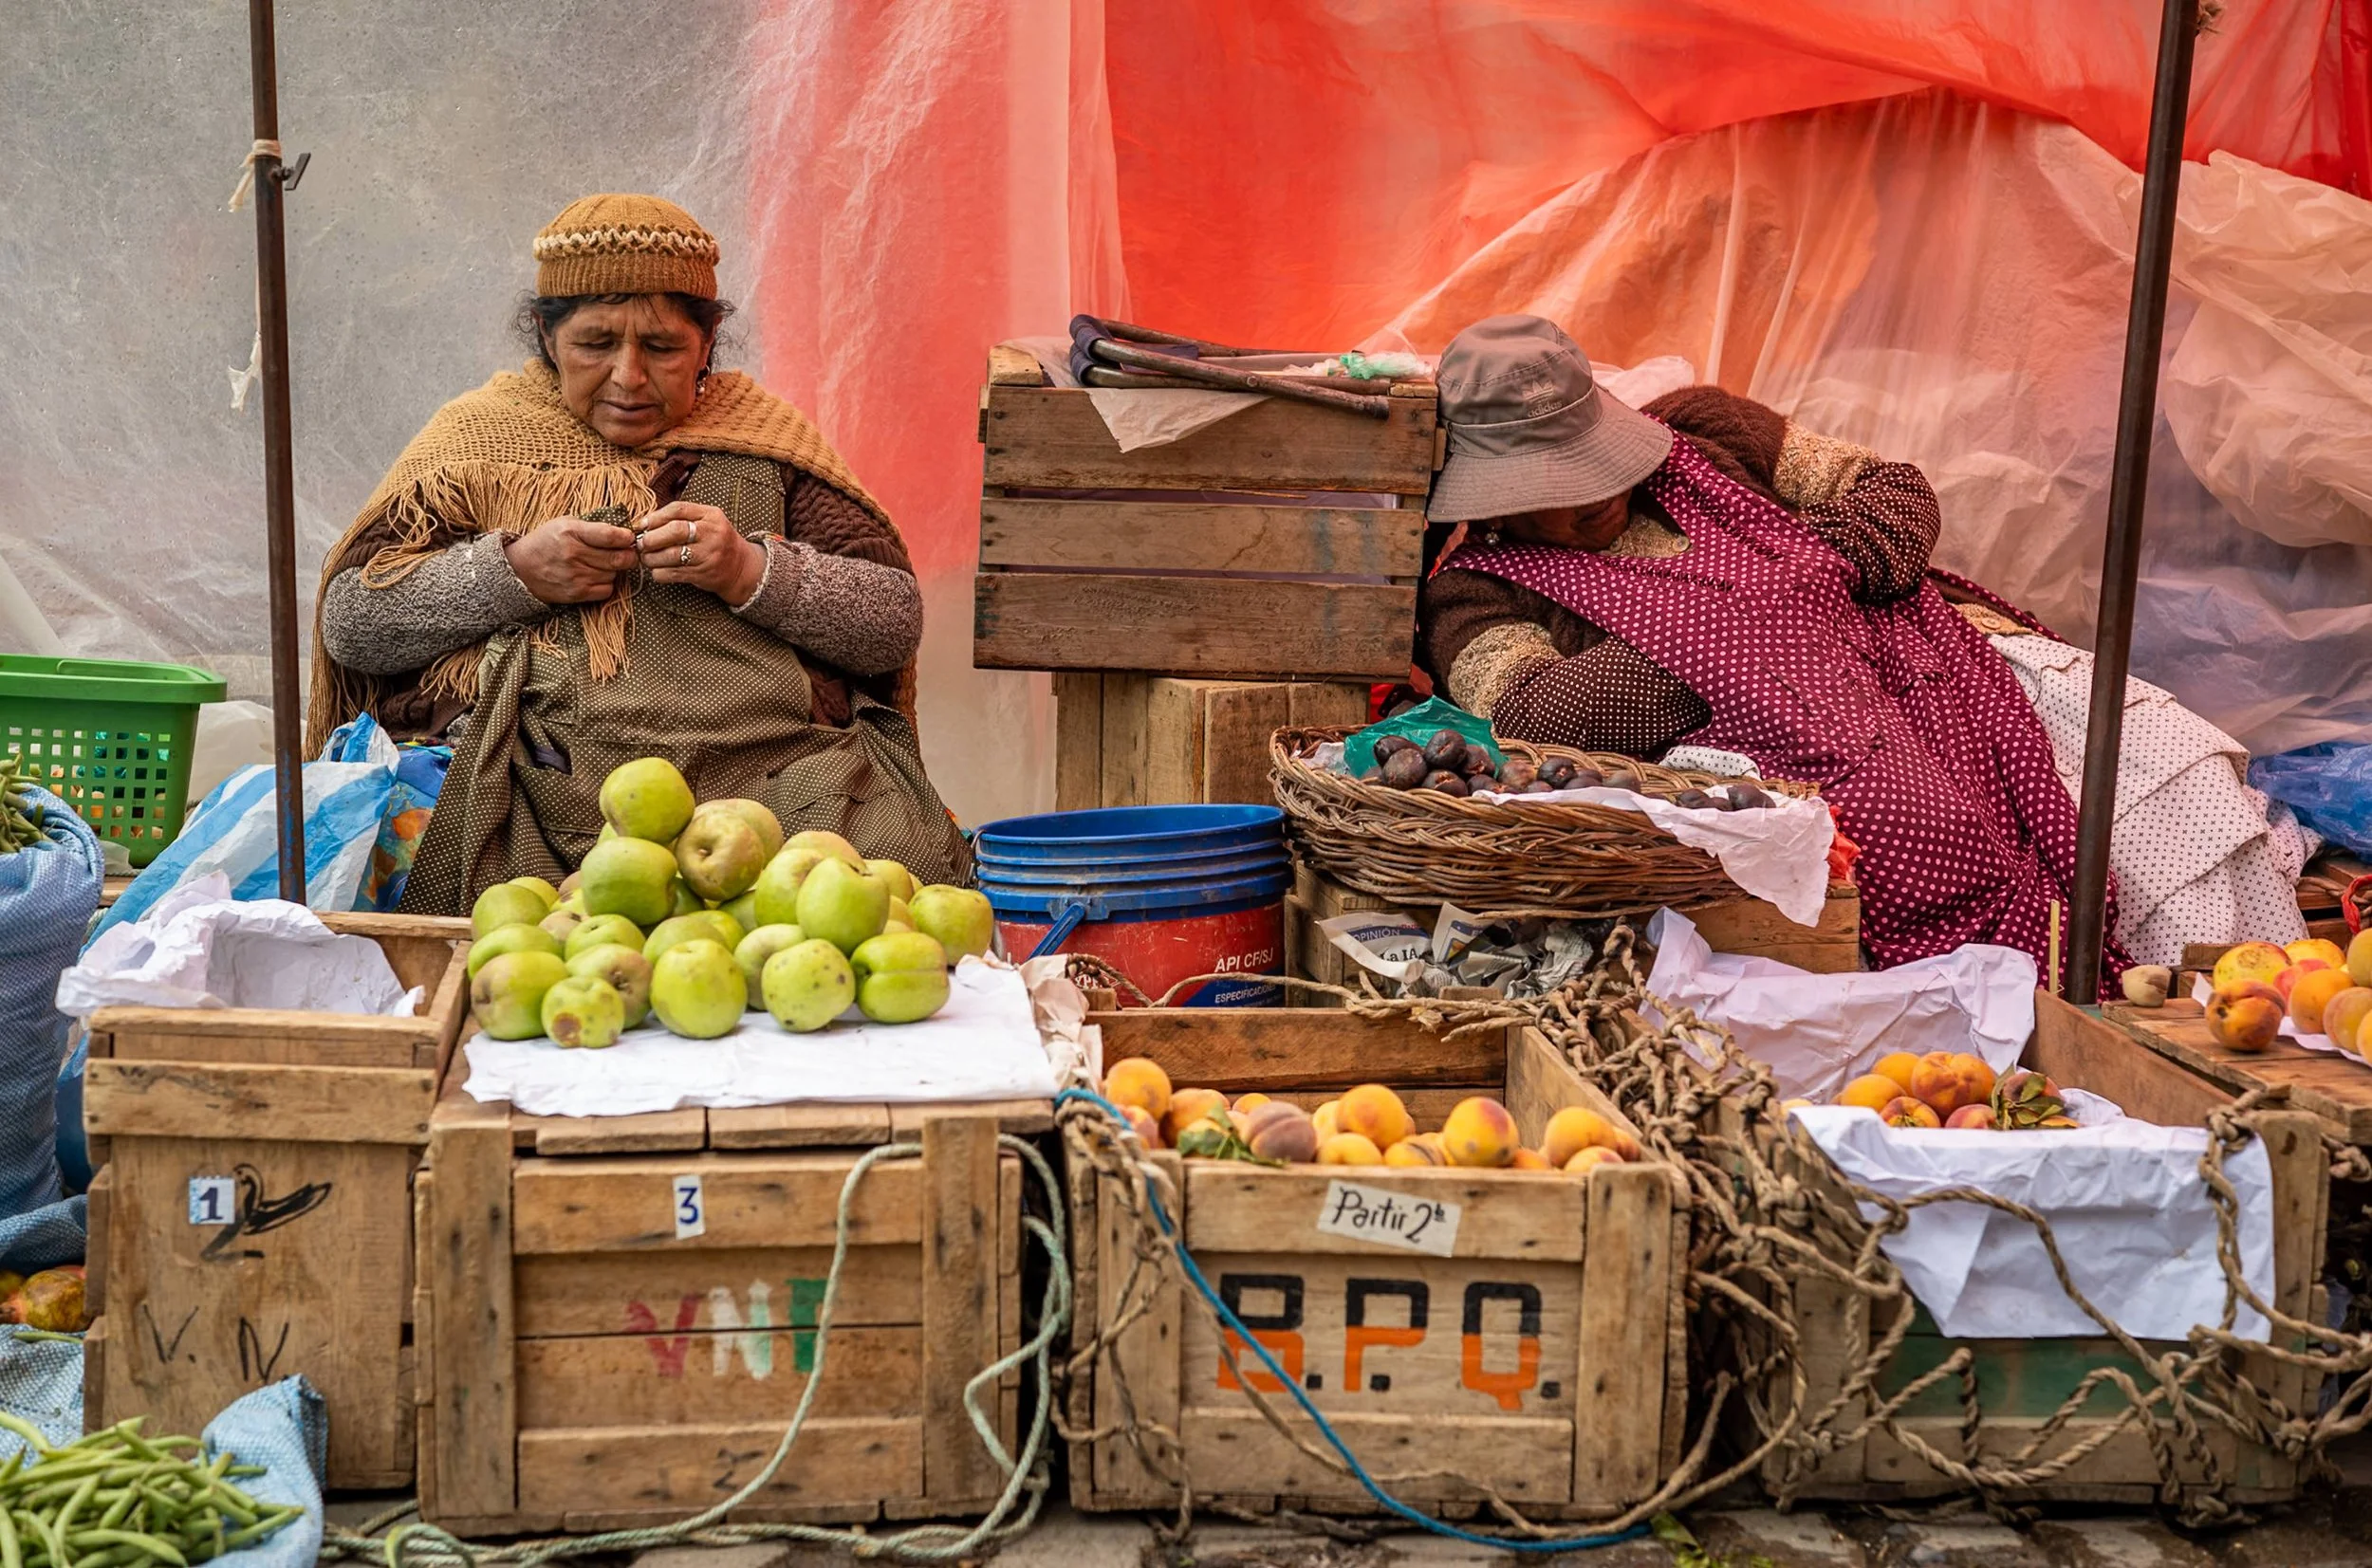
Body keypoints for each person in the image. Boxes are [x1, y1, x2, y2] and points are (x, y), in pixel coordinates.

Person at [309, 194, 970, 913]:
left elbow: (891, 622)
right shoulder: (475, 445)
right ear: (545, 335)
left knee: (896, 882)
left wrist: (751, 571)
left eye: (661, 348)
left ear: (707, 345)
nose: (628, 376)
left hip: (775, 795)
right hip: (532, 787)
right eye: (595, 343)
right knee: (423, 863)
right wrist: (513, 572)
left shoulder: (768, 445)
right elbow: (353, 622)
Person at [1417, 314, 2125, 981]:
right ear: (1495, 500)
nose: (1600, 489)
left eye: (1598, 456)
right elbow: (1538, 716)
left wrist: (1814, 576)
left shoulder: (1707, 431)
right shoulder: (1473, 595)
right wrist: (1754, 622)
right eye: (1560, 480)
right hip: (1783, 794)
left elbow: (1894, 493)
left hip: (1922, 691)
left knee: (2146, 756)